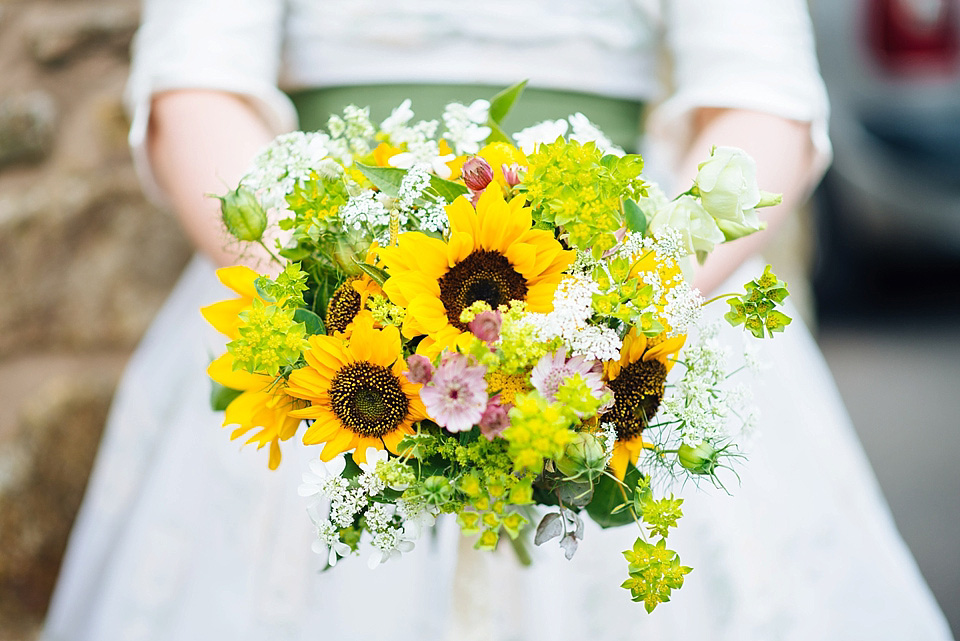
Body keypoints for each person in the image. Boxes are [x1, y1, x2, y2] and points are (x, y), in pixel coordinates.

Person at [43, 1, 955, 640]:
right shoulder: (331, 306)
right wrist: (335, 301)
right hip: (327, 312)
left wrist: (613, 311)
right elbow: (191, 86)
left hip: (624, 302)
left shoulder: (620, 307)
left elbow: (768, 104)